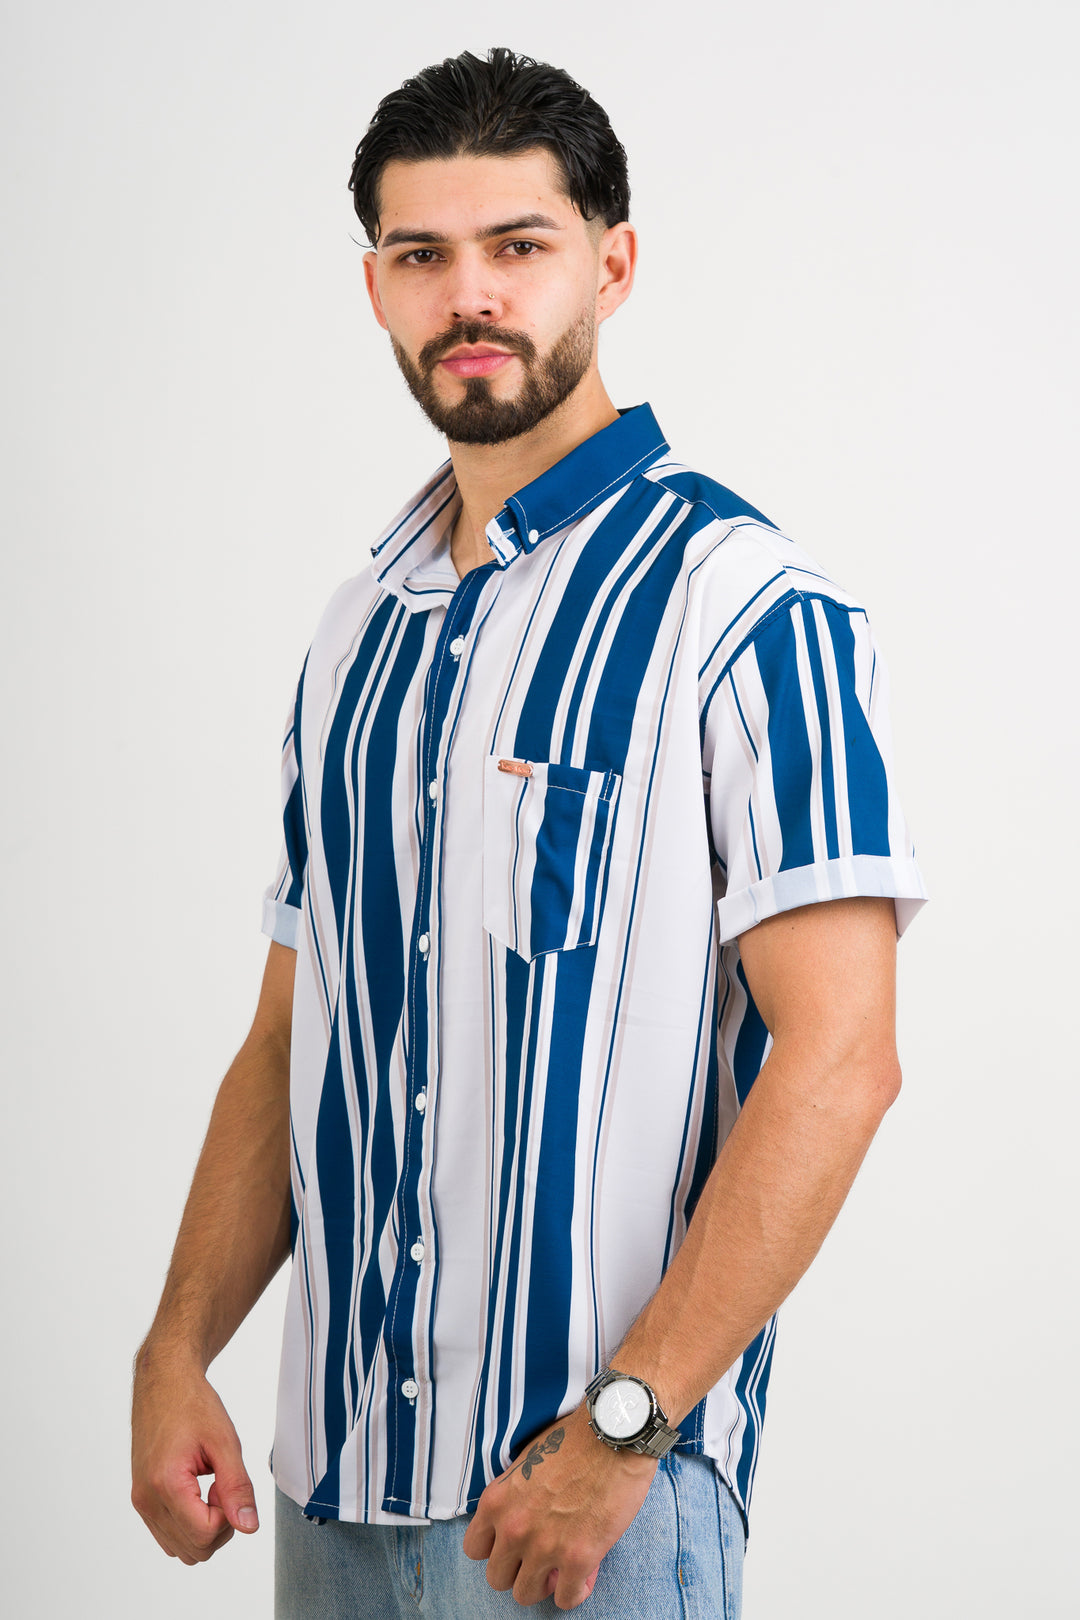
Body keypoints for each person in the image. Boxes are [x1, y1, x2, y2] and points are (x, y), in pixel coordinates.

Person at [131, 46, 927, 1617]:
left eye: (518, 245)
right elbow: (292, 1036)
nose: (469, 296)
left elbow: (843, 1059)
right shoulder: (358, 636)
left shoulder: (744, 606)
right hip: (336, 1497)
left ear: (612, 266)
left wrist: (625, 1428)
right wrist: (176, 1348)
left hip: (588, 1510)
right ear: (375, 288)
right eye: (422, 255)